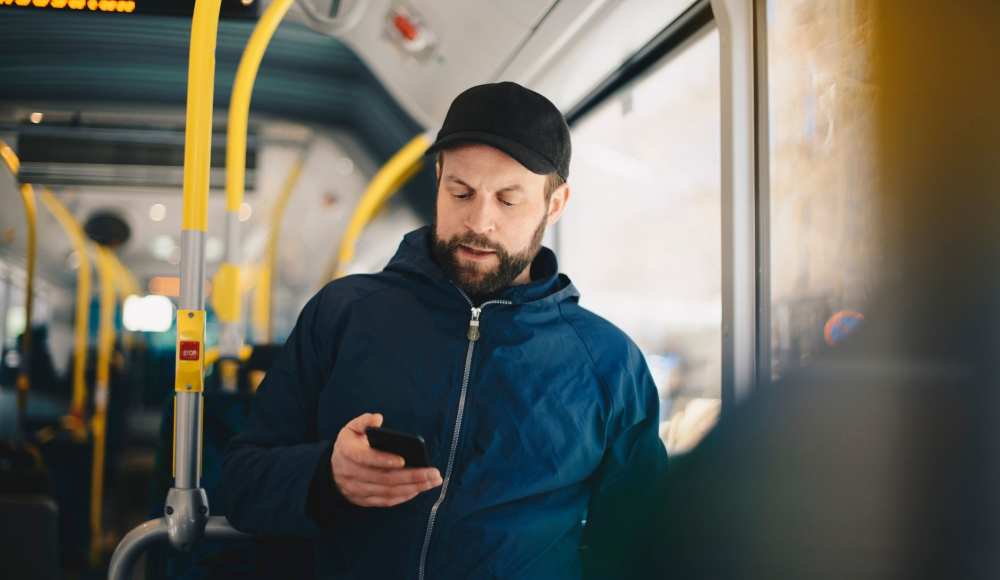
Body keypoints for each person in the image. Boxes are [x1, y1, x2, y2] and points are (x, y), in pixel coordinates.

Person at [220, 81, 669, 579]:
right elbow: (239, 482)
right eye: (461, 192)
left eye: (508, 200)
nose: (480, 221)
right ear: (438, 178)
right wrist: (326, 476)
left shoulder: (607, 363)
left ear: (555, 203)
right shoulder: (343, 314)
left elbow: (639, 546)